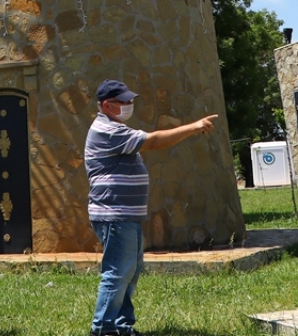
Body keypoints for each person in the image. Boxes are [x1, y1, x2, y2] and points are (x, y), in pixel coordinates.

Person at [84, 79, 219, 336]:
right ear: (106, 105)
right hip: (114, 214)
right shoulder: (107, 130)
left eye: (130, 100)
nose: (129, 105)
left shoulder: (115, 128)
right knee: (117, 272)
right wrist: (194, 126)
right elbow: (155, 141)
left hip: (124, 215)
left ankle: (120, 327)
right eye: (123, 101)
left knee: (129, 272)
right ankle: (103, 329)